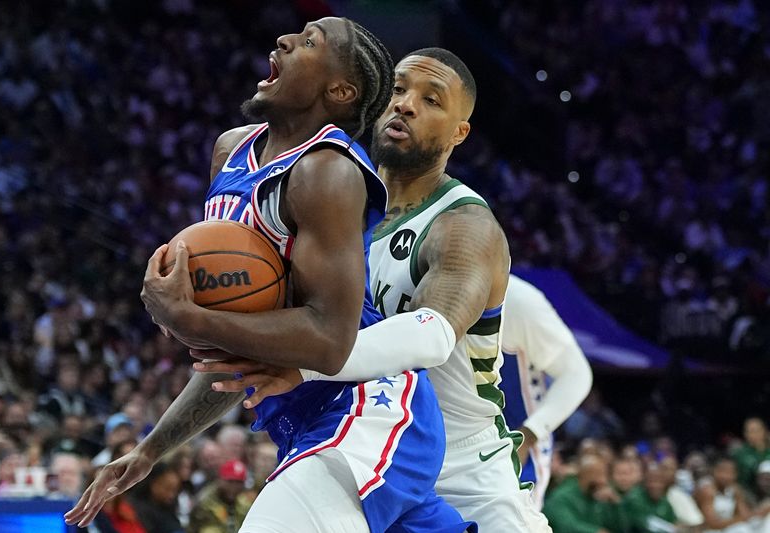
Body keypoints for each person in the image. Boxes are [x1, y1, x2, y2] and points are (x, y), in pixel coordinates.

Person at [65, 17, 471, 533]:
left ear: (340, 90)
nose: (284, 40)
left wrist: (189, 318)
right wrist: (150, 450)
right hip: (304, 425)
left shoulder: (328, 171)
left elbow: (329, 340)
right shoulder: (230, 153)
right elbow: (244, 355)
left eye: (309, 43)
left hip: (368, 411)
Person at [195, 47, 549, 531]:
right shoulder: (335, 200)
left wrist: (303, 363)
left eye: (431, 100)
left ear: (459, 132)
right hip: (363, 436)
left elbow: (429, 336)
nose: (405, 104)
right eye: (399, 89)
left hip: (463, 472)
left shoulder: (465, 225)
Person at [499, 274, 593, 507]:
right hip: (449, 443)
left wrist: (529, 433)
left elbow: (577, 374)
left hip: (515, 450)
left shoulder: (519, 300)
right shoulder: (418, 280)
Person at [542, 454, 628, 533]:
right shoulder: (561, 496)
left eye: (605, 475)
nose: (603, 480)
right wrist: (596, 532)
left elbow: (621, 529)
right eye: (598, 474)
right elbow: (565, 526)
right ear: (584, 474)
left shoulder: (600, 498)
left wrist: (616, 505)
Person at [188, 459, 253, 533]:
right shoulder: (205, 502)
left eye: (239, 482)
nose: (234, 486)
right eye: (230, 481)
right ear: (220, 480)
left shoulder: (245, 503)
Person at [732, 417, 770, 494]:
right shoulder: (739, 454)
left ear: (765, 431)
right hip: (749, 493)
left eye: (757, 430)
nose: (753, 434)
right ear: (745, 434)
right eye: (749, 431)